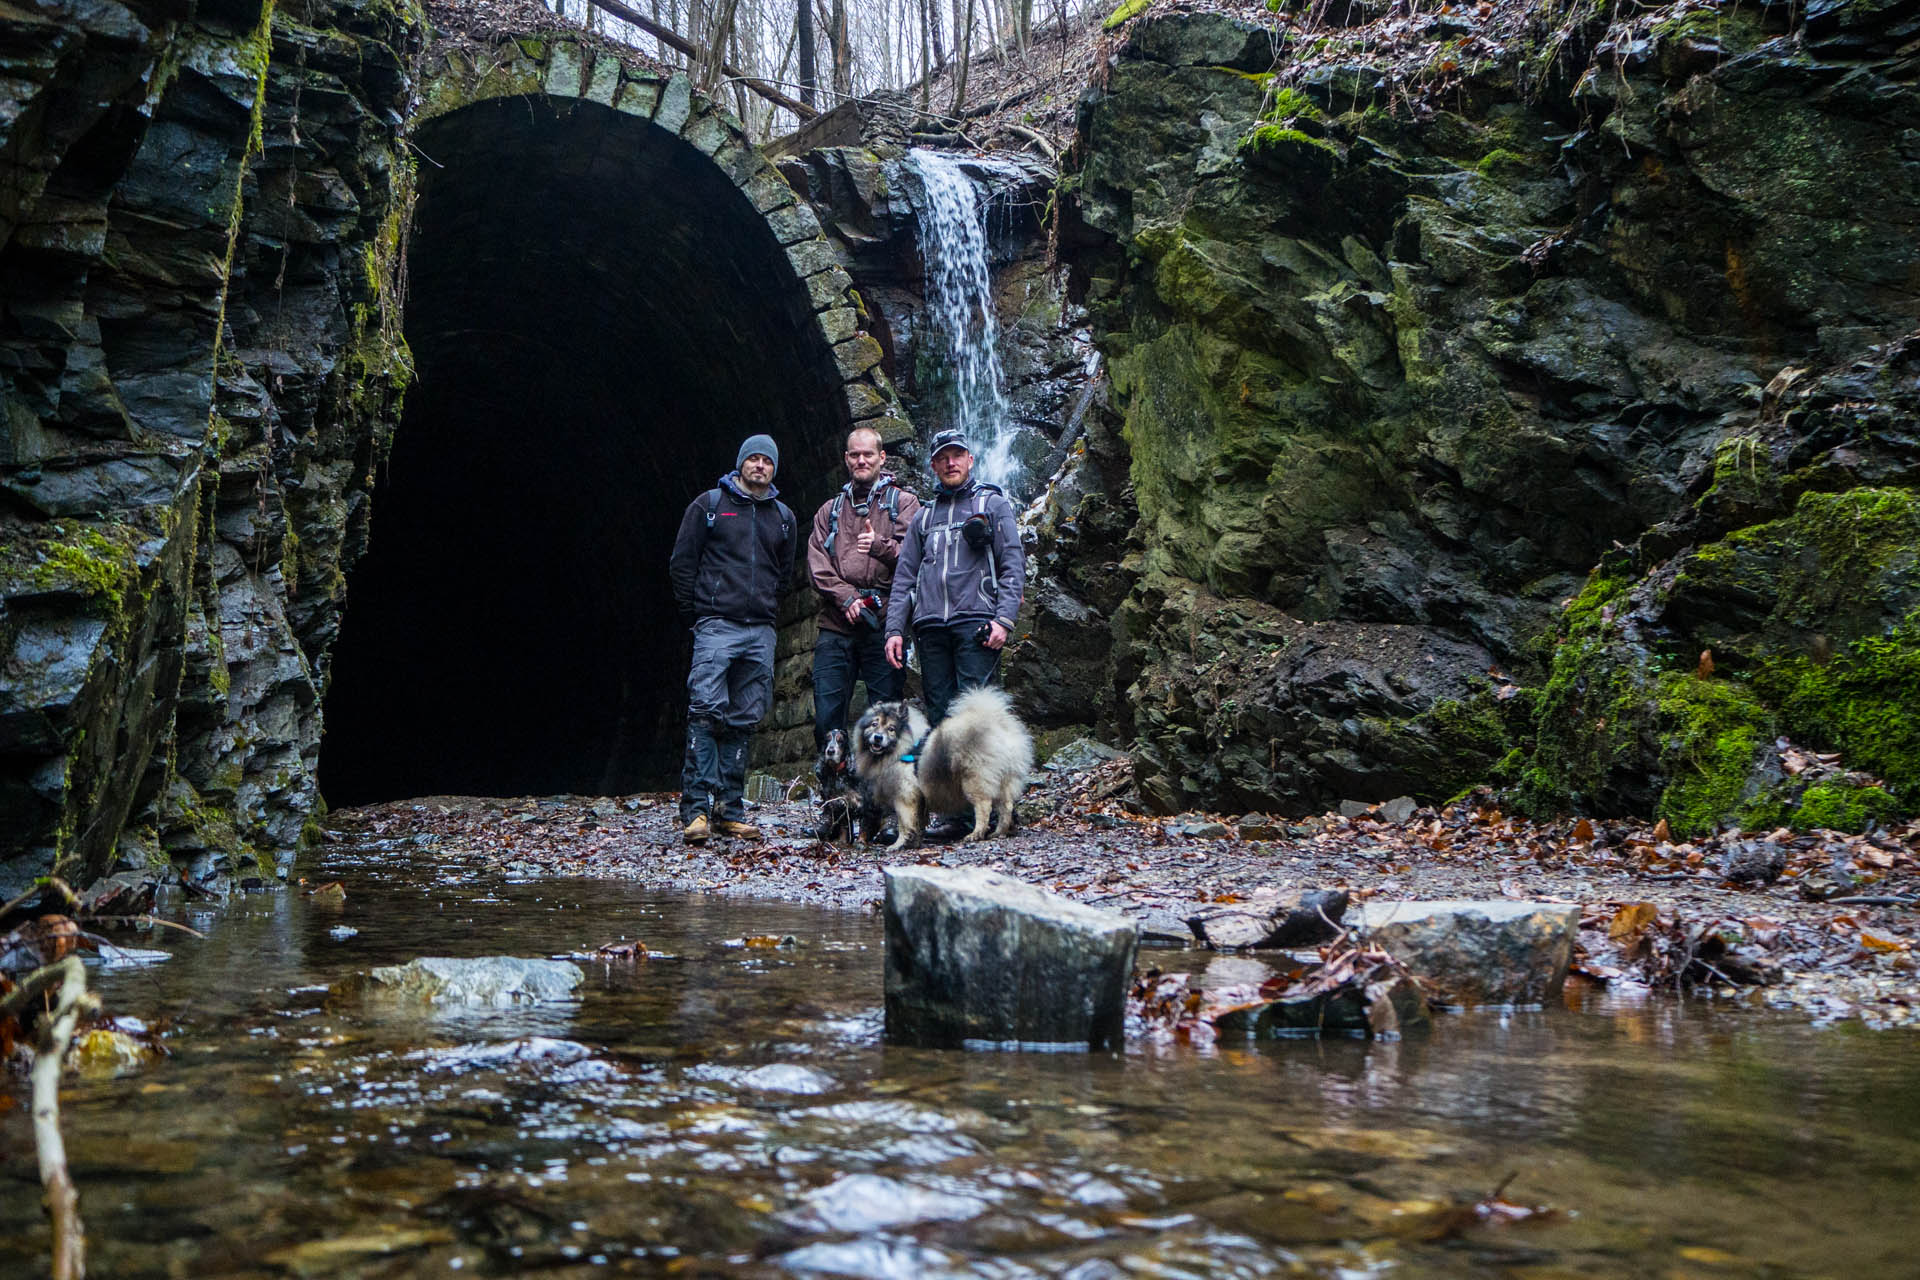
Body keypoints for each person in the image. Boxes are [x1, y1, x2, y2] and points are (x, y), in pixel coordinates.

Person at [667, 434, 796, 844]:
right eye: (753, 459)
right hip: (716, 625)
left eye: (766, 461)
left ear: (774, 468)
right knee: (705, 712)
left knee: (743, 718)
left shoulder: (783, 517)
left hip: (759, 630)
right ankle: (696, 811)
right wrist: (700, 614)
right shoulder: (709, 506)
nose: (759, 465)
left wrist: (766, 613)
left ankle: (730, 810)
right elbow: (682, 565)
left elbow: (785, 575)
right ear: (740, 463)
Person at [883, 428, 1025, 726]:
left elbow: (1013, 564)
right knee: (939, 716)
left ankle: (984, 774)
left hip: (977, 624)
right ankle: (944, 774)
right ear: (933, 466)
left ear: (970, 460)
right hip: (930, 629)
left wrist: (1004, 620)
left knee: (979, 716)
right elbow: (904, 579)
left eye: (957, 455)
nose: (951, 463)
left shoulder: (993, 505)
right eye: (943, 458)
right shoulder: (922, 518)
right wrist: (894, 630)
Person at [807, 427, 923, 753]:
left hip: (885, 623)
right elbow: (816, 564)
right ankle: (837, 793)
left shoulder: (905, 504)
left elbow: (915, 558)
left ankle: (885, 796)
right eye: (855, 454)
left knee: (886, 716)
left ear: (881, 457)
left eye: (867, 454)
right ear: (846, 459)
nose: (861, 460)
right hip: (836, 623)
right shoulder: (828, 511)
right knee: (827, 716)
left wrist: (879, 546)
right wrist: (847, 597)